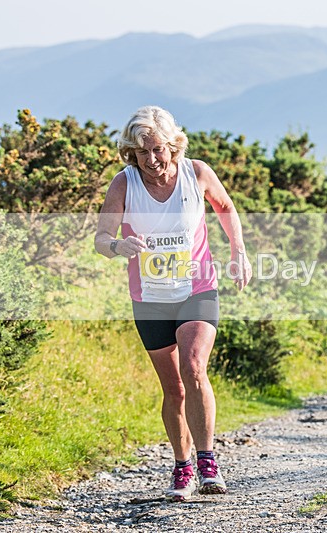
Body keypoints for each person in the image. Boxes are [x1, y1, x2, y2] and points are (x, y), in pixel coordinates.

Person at [95, 106, 252, 502]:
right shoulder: (124, 183)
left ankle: (207, 461)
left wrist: (239, 252)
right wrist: (117, 246)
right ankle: (182, 466)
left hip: (197, 288)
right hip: (149, 298)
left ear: (173, 145)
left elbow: (225, 207)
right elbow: (101, 237)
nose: (151, 160)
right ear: (131, 153)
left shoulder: (196, 173)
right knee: (174, 389)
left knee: (193, 366)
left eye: (158, 150)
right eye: (141, 152)